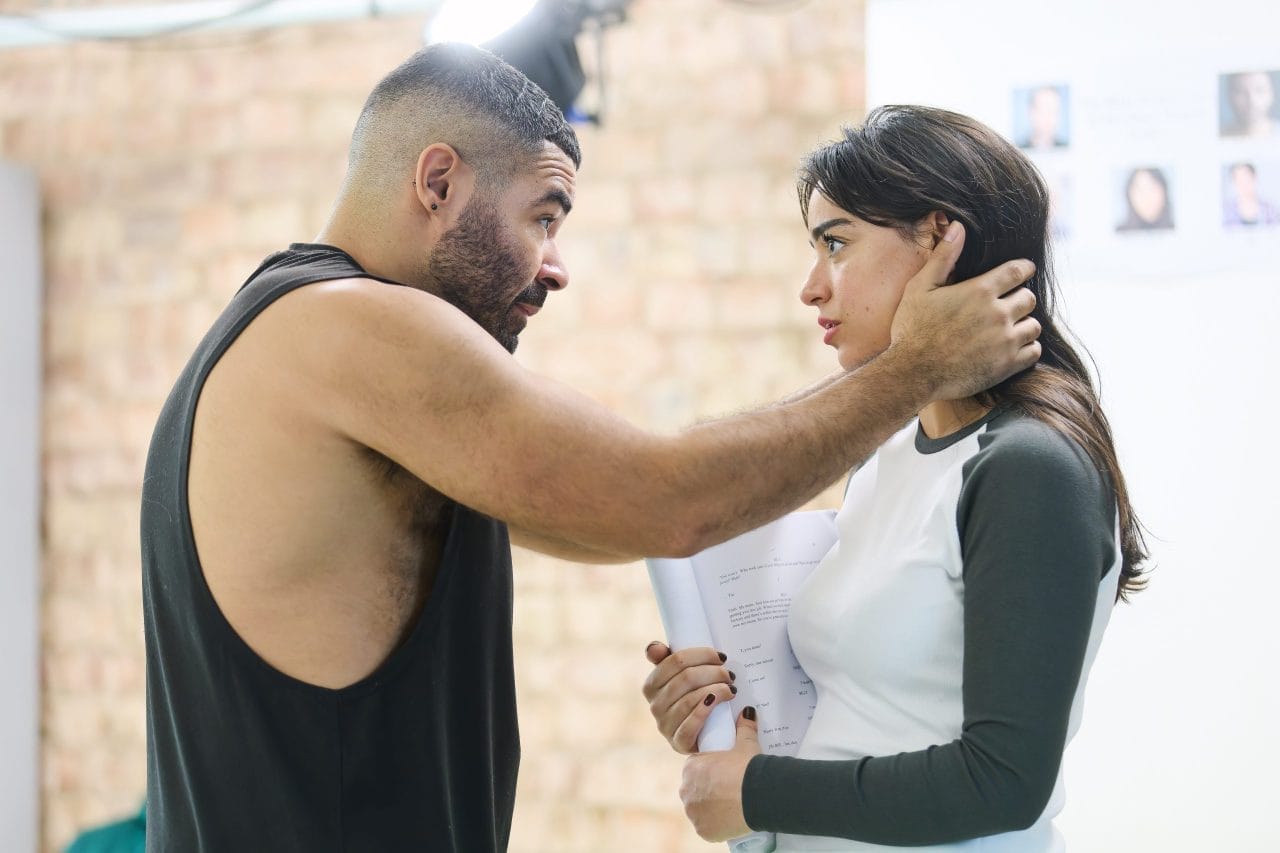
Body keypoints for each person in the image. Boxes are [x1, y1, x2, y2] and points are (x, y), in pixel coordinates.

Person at [140, 46, 1041, 852]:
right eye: (545, 214)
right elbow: (665, 501)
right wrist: (917, 365)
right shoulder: (351, 328)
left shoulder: (287, 334)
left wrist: (745, 677)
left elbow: (615, 525)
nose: (558, 263)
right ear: (439, 182)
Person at [642, 105, 1147, 851]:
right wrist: (724, 720)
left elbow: (1002, 781)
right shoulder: (888, 456)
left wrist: (756, 790)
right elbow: (859, 720)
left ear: (942, 241)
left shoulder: (1029, 465)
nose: (811, 287)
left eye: (836, 244)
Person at [1221, 70, 1280, 138]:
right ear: (1229, 96)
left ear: (1272, 95)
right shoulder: (1218, 134)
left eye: (1260, 90)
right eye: (1241, 91)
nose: (1251, 101)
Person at [1115, 166, 1174, 232]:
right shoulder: (1120, 233)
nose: (1147, 197)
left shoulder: (1176, 230)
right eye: (1140, 190)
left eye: (1152, 188)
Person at [1223, 161, 1280, 227]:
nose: (1243, 184)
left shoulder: (1270, 210)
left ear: (1254, 178)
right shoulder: (1226, 212)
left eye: (1246, 178)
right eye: (1239, 180)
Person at [1017, 84, 1068, 149]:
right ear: (1031, 112)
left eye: (1052, 110)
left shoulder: (1065, 147)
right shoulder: (1018, 148)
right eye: (1043, 110)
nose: (1048, 117)